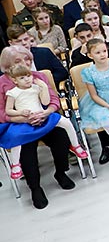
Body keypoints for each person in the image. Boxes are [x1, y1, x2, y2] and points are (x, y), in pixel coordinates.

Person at [0, 45, 75, 209]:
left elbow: (54, 100)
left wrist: (46, 113)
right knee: (26, 151)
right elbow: (1, 112)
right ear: (7, 65)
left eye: (27, 59)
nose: (25, 63)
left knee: (61, 137)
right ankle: (35, 188)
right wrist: (22, 118)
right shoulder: (2, 83)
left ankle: (60, 173)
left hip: (44, 119)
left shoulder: (38, 76)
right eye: (18, 60)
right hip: (19, 126)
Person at [4, 64, 89, 179]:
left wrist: (43, 87)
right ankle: (15, 164)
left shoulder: (35, 88)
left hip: (43, 116)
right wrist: (20, 112)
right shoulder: (12, 93)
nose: (27, 79)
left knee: (66, 122)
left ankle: (76, 145)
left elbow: (45, 102)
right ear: (15, 80)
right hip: (26, 121)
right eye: (22, 78)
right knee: (16, 137)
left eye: (28, 76)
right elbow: (8, 110)